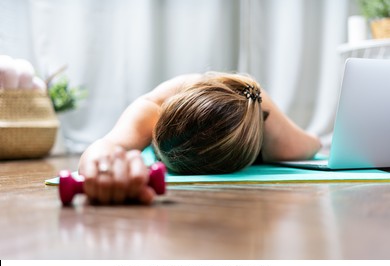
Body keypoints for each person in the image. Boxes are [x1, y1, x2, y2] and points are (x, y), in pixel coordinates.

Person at [0, 55, 321, 205]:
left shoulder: (266, 116)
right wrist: (106, 169)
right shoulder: (150, 110)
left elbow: (312, 145)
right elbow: (101, 149)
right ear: (155, 130)